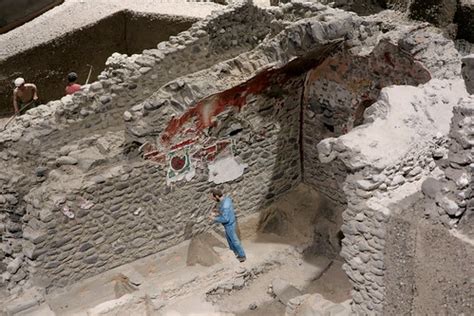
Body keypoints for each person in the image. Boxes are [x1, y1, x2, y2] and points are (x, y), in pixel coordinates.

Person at [209, 189, 246, 262]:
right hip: (230, 223)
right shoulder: (226, 199)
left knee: (234, 240)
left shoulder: (225, 206)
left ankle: (242, 255)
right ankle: (234, 252)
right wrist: (217, 210)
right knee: (230, 239)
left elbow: (225, 219)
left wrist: (213, 218)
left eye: (212, 197)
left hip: (229, 225)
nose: (212, 199)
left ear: (216, 196)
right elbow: (221, 207)